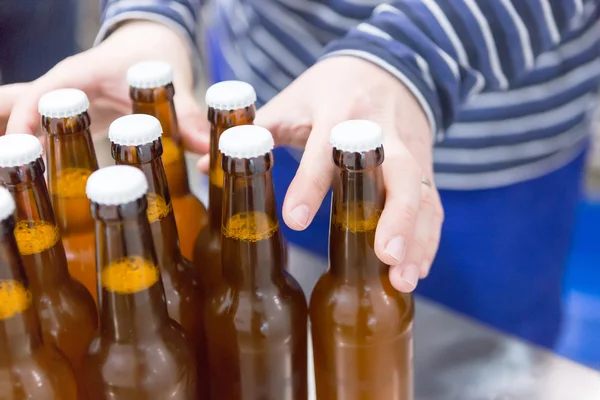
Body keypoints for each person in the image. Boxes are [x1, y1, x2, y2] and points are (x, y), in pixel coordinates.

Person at [1, 0, 599, 349]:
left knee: (485, 350)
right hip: (273, 109)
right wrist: (149, 21)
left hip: (491, 149)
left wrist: (406, 61)